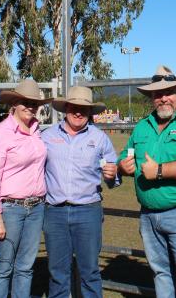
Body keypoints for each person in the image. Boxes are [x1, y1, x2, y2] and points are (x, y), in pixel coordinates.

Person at [118, 65, 176, 298]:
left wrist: (158, 170)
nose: (163, 98)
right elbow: (126, 154)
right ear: (151, 97)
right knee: (161, 273)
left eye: (169, 92)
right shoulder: (142, 127)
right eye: (158, 94)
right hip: (149, 215)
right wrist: (123, 165)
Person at [42, 86, 119, 298]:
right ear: (66, 108)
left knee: (90, 273)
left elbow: (113, 177)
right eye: (74, 107)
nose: (78, 112)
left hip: (88, 212)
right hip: (54, 212)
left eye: (83, 109)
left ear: (90, 112)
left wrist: (113, 175)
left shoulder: (100, 138)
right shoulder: (46, 137)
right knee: (57, 274)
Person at [0, 78, 49, 298]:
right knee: (3, 266)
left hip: (36, 206)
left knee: (25, 267)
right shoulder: (1, 134)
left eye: (35, 103)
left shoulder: (37, 131)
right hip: (10, 208)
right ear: (15, 104)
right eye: (26, 102)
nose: (31, 107)